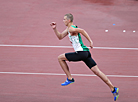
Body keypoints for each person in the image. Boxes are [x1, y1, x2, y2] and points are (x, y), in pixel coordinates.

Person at [50, 13, 119, 101]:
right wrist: (55, 29)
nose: (63, 21)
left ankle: (70, 78)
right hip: (86, 53)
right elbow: (60, 37)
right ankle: (113, 89)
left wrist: (90, 41)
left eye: (64, 19)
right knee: (97, 72)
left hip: (81, 53)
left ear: (69, 20)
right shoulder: (69, 29)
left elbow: (82, 30)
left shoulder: (71, 28)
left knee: (60, 58)